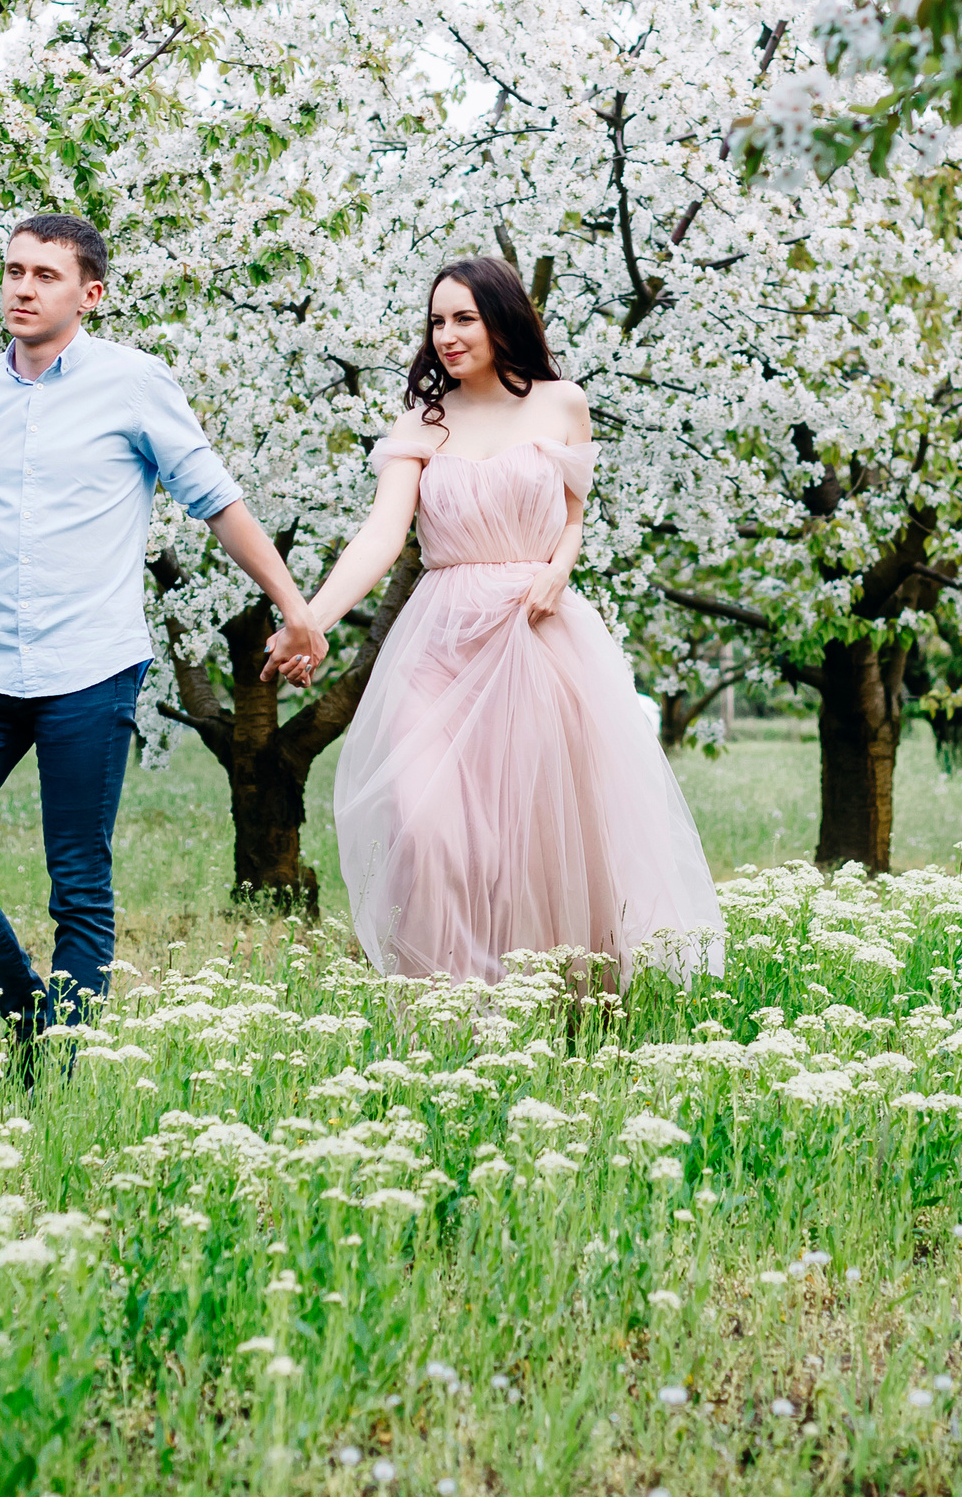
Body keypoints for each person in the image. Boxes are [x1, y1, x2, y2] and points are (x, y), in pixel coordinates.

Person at [0, 215, 328, 1051]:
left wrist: (293, 605)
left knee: (79, 885)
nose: (22, 288)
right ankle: (31, 1017)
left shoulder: (134, 383)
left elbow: (216, 499)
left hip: (90, 667)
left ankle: (62, 1065)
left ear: (90, 294)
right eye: (14, 270)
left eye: (45, 276)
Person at [281, 256, 724, 985]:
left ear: (502, 318)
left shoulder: (562, 404)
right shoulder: (422, 423)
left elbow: (573, 514)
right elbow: (381, 536)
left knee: (538, 832)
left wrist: (558, 570)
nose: (447, 336)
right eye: (437, 321)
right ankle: (454, 1003)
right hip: (440, 642)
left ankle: (555, 999)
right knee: (426, 826)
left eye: (465, 318)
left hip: (534, 634)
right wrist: (312, 619)